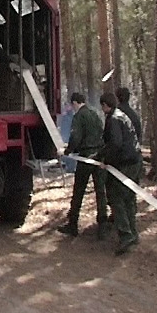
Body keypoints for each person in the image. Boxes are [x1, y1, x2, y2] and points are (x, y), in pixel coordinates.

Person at [57, 92, 108, 239]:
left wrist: (67, 151)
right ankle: (102, 226)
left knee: (79, 190)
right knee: (100, 192)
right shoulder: (95, 114)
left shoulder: (79, 116)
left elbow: (76, 137)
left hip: (85, 157)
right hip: (98, 157)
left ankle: (73, 224)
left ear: (74, 103)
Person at [98, 92, 143, 255]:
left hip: (125, 164)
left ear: (105, 105)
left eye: (102, 106)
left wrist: (107, 161)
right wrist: (100, 154)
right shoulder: (122, 115)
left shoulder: (113, 119)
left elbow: (115, 144)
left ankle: (125, 235)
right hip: (136, 160)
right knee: (130, 197)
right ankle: (133, 233)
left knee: (116, 197)